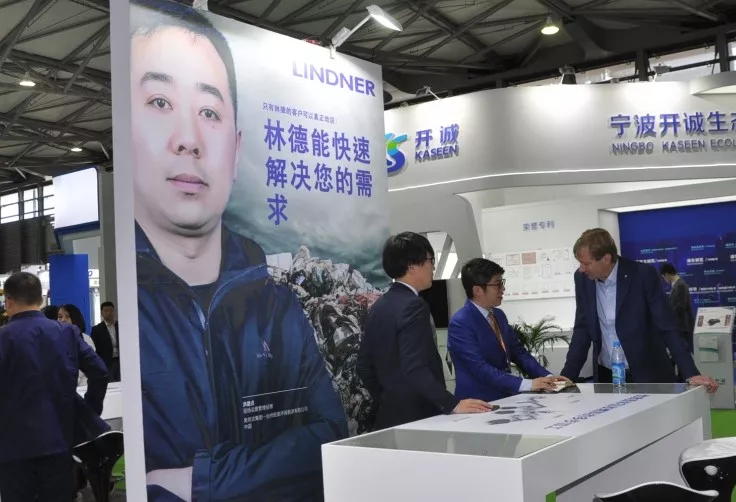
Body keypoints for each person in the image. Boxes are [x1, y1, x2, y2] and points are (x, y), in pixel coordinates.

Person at [130, 1, 348, 500]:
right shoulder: (136, 310)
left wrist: (203, 481)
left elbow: (331, 433)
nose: (189, 140)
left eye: (209, 112)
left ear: (235, 148)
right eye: (160, 102)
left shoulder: (278, 306)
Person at [357, 233, 491, 430]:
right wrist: (452, 404)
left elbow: (364, 366)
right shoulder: (414, 306)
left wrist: (391, 398)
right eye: (430, 260)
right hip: (419, 418)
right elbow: (415, 367)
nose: (433, 267)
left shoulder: (379, 305)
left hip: (389, 417)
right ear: (412, 266)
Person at [561, 228, 717, 391]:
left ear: (606, 259)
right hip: (607, 376)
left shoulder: (642, 275)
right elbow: (582, 328)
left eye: (586, 263)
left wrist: (690, 373)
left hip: (648, 376)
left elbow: (667, 327)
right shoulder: (582, 279)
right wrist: (567, 377)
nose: (581, 269)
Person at [0, 272, 108, 502]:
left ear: (8, 302)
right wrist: (88, 411)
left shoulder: (3, 338)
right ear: (41, 299)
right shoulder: (67, 333)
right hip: (59, 439)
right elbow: (99, 372)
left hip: (11, 445)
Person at [448, 258, 570, 401]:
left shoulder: (498, 315)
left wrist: (548, 377)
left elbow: (519, 352)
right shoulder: (461, 323)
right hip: (478, 402)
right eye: (498, 284)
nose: (503, 289)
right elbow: (479, 368)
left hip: (505, 398)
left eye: (502, 283)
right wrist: (528, 384)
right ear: (477, 290)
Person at [660, 263, 695, 354]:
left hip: (682, 327)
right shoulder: (675, 285)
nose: (664, 280)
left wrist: (668, 317)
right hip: (678, 326)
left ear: (666, 275)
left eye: (664, 278)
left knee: (684, 354)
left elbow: (680, 306)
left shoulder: (681, 285)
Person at [91, 301, 120, 381]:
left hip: (120, 361)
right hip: (106, 362)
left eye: (111, 310)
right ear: (102, 313)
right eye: (106, 310)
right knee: (110, 384)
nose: (109, 313)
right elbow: (95, 348)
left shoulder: (120, 325)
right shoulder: (96, 329)